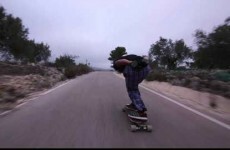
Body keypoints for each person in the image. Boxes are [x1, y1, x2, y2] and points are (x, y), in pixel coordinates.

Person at [113, 54, 151, 121]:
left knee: (132, 90)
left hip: (134, 69)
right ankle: (134, 104)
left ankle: (140, 110)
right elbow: (143, 59)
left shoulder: (117, 62)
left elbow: (122, 61)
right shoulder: (131, 56)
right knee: (134, 87)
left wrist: (131, 63)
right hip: (146, 69)